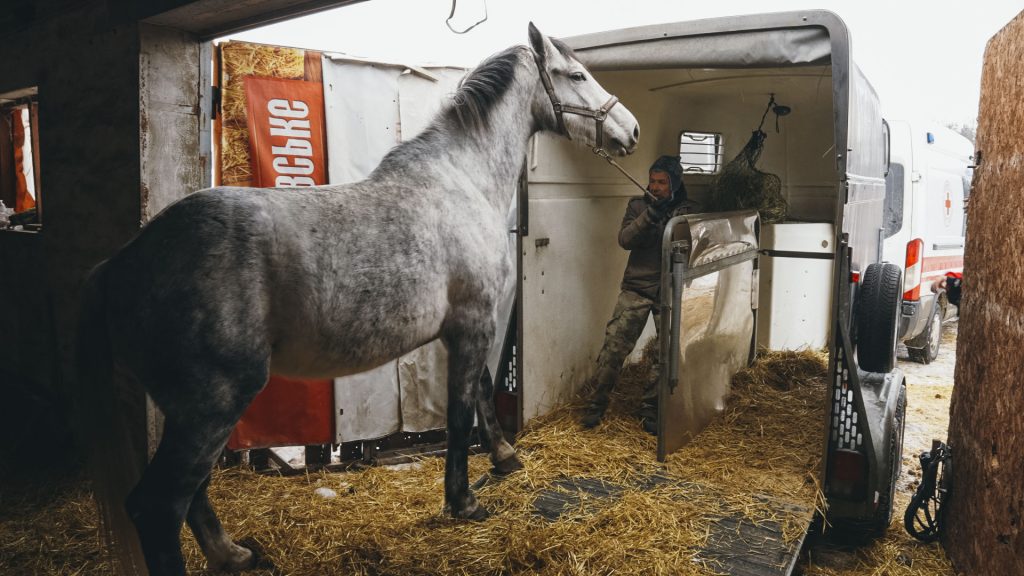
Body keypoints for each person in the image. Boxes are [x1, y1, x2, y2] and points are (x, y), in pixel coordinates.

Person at [580, 155, 701, 434]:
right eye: (652, 181)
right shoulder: (637, 206)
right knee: (614, 348)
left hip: (670, 291)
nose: (655, 187)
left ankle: (650, 409)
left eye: (662, 182)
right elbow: (625, 240)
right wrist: (650, 216)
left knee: (665, 353)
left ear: (675, 183)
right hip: (637, 287)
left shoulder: (688, 211)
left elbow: (695, 249)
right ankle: (595, 406)